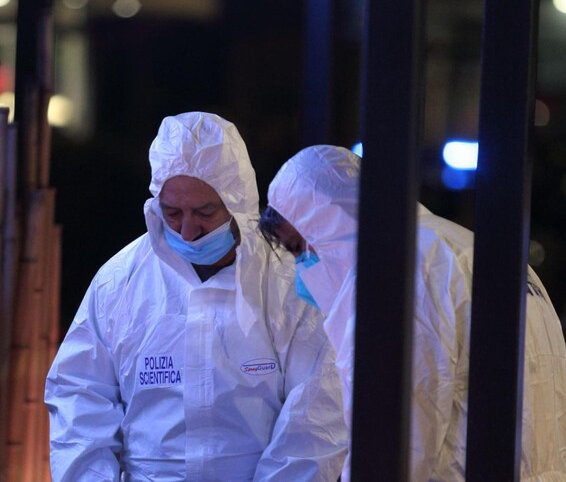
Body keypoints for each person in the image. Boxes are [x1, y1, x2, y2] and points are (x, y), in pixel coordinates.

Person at [44, 113, 348, 481]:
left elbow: (315, 415)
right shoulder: (120, 282)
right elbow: (79, 397)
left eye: (205, 212)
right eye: (172, 213)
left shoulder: (287, 282)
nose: (188, 231)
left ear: (238, 203)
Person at [260, 145, 566, 481]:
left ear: (329, 226)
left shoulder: (402, 268)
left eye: (299, 248)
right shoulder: (470, 247)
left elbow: (395, 440)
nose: (302, 268)